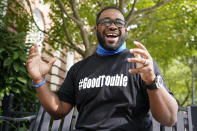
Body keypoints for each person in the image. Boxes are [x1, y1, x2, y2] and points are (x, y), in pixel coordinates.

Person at [26, 6, 178, 131]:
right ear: (96, 29)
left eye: (119, 23)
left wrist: (152, 81)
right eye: (106, 21)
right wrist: (39, 80)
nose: (112, 26)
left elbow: (169, 119)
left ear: (125, 31)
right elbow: (58, 110)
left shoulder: (142, 65)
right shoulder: (78, 69)